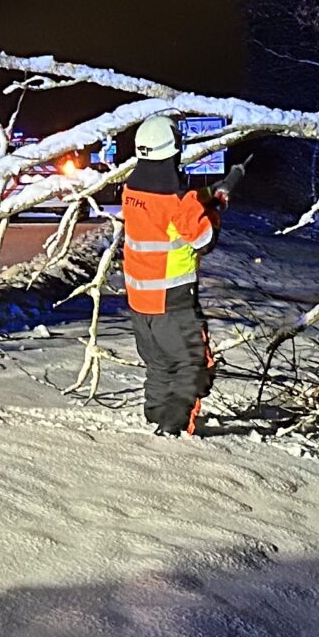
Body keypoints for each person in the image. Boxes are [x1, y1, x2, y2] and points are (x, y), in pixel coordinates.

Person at [118, 114, 227, 436]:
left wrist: (206, 196)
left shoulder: (132, 190)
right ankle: (174, 428)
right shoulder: (179, 200)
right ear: (175, 149)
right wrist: (215, 209)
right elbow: (205, 240)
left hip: (140, 300)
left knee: (160, 363)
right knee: (194, 365)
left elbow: (171, 210)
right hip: (173, 299)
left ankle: (155, 414)